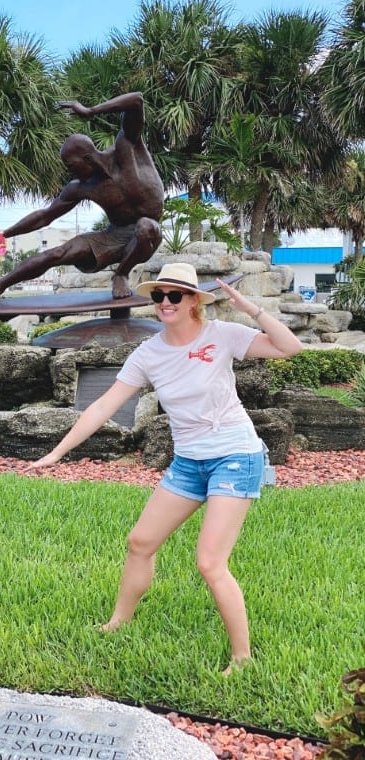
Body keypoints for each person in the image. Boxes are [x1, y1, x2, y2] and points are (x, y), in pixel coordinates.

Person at [32, 262, 303, 673]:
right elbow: (106, 404)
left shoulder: (222, 335)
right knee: (140, 542)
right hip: (189, 461)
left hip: (234, 455)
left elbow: (290, 348)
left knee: (210, 563)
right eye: (159, 295)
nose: (165, 302)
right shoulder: (149, 353)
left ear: (194, 301)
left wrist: (251, 309)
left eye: (175, 295)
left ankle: (242, 658)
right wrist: (57, 451)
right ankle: (119, 621)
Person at [0, 91, 165, 308]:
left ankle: (120, 275)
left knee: (144, 226)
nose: (70, 173)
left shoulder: (126, 146)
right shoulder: (81, 188)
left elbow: (136, 100)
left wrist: (90, 111)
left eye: (71, 166)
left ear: (87, 158)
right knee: (57, 253)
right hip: (113, 236)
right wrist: (4, 235)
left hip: (148, 235)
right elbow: (44, 217)